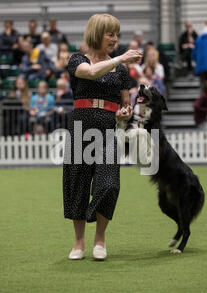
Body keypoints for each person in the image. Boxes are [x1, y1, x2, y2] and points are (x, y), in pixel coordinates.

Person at [63, 13, 141, 261]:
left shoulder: (121, 71)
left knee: (109, 183)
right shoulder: (77, 60)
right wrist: (120, 59)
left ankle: (100, 238)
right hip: (80, 125)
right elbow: (92, 72)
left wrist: (125, 114)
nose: (115, 38)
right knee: (77, 182)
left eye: (117, 34)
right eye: (110, 33)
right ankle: (78, 243)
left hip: (108, 128)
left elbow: (126, 106)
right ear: (96, 33)